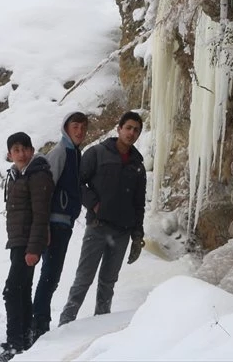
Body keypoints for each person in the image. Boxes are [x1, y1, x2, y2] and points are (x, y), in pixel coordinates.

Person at [58, 111, 146, 325]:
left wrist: (137, 236)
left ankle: (101, 325)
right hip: (98, 227)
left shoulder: (137, 165)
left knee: (108, 282)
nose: (131, 133)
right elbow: (77, 183)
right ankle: (65, 323)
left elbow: (139, 204)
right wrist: (94, 204)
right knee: (83, 279)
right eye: (128, 128)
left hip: (122, 232)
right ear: (119, 129)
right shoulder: (97, 153)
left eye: (136, 130)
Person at [30, 111, 89, 341]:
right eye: (75, 126)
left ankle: (38, 324)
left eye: (83, 127)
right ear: (66, 128)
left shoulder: (75, 153)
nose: (80, 131)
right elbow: (47, 189)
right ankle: (38, 327)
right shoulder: (61, 152)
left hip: (64, 224)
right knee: (49, 277)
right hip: (54, 224)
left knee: (51, 276)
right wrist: (44, 225)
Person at [0, 132, 52, 362]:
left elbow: (41, 216)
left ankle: (14, 343)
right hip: (17, 241)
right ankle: (24, 337)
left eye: (24, 149)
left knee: (11, 291)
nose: (20, 154)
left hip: (27, 243)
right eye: (16, 150)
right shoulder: (15, 175)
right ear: (10, 154)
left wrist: (33, 249)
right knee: (21, 289)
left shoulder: (37, 175)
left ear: (31, 150)